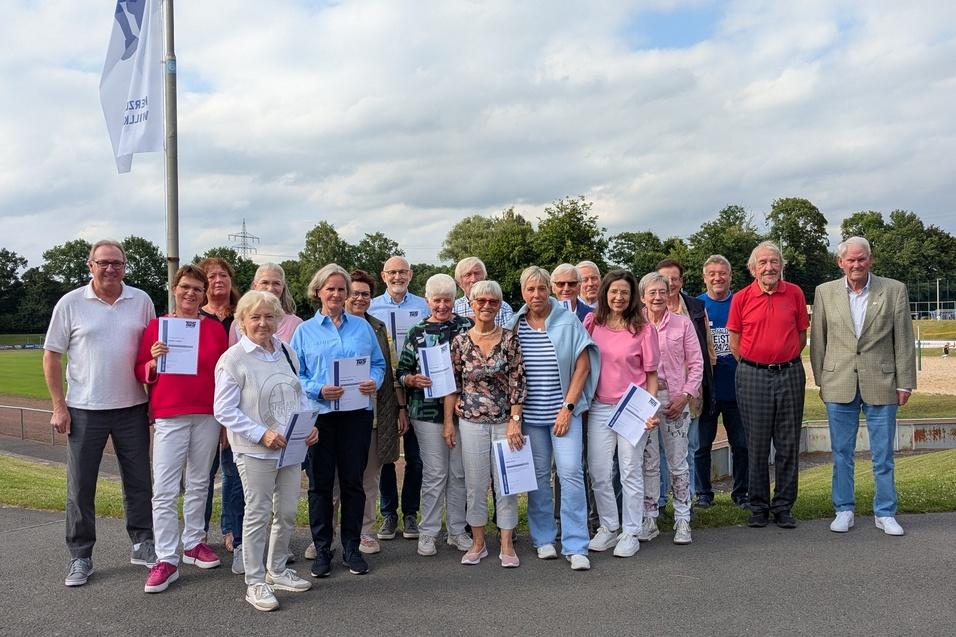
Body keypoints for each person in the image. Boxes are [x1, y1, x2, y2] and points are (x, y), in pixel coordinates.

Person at [44, 239, 157, 587]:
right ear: (90, 265)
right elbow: (52, 355)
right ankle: (80, 556)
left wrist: (154, 400)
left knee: (139, 482)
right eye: (104, 262)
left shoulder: (141, 301)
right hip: (84, 410)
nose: (111, 269)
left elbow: (152, 354)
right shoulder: (71, 303)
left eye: (118, 263)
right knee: (80, 487)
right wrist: (59, 406)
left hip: (132, 407)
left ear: (125, 266)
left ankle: (142, 543)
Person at [214, 290, 317, 611]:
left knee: (286, 511)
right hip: (254, 449)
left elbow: (297, 393)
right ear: (242, 321)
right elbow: (224, 410)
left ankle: (277, 569)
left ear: (278, 319)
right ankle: (255, 581)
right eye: (255, 317)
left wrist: (308, 423)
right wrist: (262, 434)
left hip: (290, 446)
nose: (262, 323)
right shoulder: (233, 359)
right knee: (258, 513)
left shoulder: (286, 350)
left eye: (269, 316)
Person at [810, 237, 916, 536]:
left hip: (882, 381)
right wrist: (822, 380)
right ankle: (844, 509)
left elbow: (904, 340)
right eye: (850, 260)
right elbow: (819, 340)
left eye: (861, 259)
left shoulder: (894, 290)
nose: (856, 265)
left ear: (870, 260)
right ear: (840, 262)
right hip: (838, 381)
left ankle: (885, 512)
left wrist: (905, 383)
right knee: (841, 452)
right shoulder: (824, 292)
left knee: (883, 454)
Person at [136, 265, 229, 593]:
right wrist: (151, 360)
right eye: (185, 287)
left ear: (204, 293)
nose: (191, 293)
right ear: (175, 288)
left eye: (197, 288)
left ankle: (193, 543)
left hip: (206, 414)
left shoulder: (216, 329)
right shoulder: (157, 326)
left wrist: (225, 419)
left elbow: (224, 374)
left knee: (200, 481)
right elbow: (140, 369)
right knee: (164, 487)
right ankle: (165, 557)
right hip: (170, 414)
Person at [291, 264, 386, 577]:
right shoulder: (304, 331)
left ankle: (351, 548)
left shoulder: (362, 328)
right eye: (330, 288)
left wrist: (374, 380)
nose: (336, 294)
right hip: (320, 417)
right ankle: (321, 549)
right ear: (318, 291)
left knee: (353, 483)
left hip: (356, 415)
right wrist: (318, 388)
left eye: (341, 289)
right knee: (319, 485)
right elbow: (295, 375)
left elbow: (378, 364)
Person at [507, 266, 597, 571]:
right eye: (530, 290)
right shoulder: (514, 326)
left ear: (550, 291)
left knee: (571, 473)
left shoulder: (568, 322)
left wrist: (567, 408)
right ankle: (544, 538)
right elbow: (510, 376)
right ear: (522, 293)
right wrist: (515, 418)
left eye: (542, 289)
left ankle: (576, 544)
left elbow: (582, 367)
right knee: (539, 478)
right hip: (531, 417)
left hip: (563, 417)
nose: (536, 295)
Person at [728, 241, 809, 529]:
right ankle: (758, 505)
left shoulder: (795, 294)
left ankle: (784, 506)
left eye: (774, 262)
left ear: (781, 265)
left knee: (788, 444)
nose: (769, 267)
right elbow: (734, 342)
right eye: (762, 263)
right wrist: (758, 362)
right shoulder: (741, 298)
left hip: (789, 373)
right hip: (753, 375)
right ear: (753, 269)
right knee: (757, 445)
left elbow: (801, 336)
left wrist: (781, 357)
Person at [445, 280, 526, 567]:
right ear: (472, 304)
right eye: (482, 301)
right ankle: (478, 543)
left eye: (493, 302)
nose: (487, 306)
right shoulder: (460, 342)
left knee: (507, 484)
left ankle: (506, 543)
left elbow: (518, 381)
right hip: (470, 422)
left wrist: (516, 420)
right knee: (475, 485)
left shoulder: (509, 339)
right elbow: (453, 384)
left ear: (499, 305)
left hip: (505, 422)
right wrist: (448, 423)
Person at [396, 273, 473, 557]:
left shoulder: (467, 326)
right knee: (435, 473)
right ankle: (428, 532)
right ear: (428, 300)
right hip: (426, 412)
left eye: (447, 300)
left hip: (463, 411)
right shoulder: (417, 332)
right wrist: (412, 380)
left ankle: (456, 530)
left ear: (455, 301)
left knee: (458, 473)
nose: (442, 306)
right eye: (437, 300)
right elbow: (400, 372)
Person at [584, 271, 660, 558]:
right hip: (600, 406)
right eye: (614, 292)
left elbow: (651, 375)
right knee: (600, 471)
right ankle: (609, 526)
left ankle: (631, 530)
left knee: (630, 470)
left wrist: (650, 410)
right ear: (605, 293)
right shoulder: (593, 323)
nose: (618, 297)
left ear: (632, 297)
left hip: (632, 407)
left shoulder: (643, 329)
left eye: (624, 293)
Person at [339, 269, 406, 554]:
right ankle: (328, 535)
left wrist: (401, 408)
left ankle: (365, 531)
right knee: (333, 482)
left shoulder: (378, 328)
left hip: (373, 414)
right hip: (336, 415)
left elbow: (389, 371)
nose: (359, 298)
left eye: (365, 294)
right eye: (354, 293)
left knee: (368, 479)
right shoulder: (326, 327)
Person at [638, 273, 703, 545]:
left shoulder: (683, 324)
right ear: (642, 296)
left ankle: (682, 519)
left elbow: (697, 363)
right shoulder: (636, 324)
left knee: (678, 463)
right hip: (645, 401)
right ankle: (650, 517)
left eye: (662, 292)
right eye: (651, 293)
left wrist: (686, 396)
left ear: (669, 294)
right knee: (649, 462)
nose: (657, 297)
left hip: (676, 401)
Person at [368, 255, 427, 542]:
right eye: (392, 272)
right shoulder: (372, 306)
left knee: (416, 458)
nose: (397, 277)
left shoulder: (423, 305)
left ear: (410, 274)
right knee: (387, 455)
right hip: (384, 385)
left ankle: (411, 514)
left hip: (417, 384)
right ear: (383, 276)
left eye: (402, 272)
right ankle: (389, 513)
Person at [196, 257, 246, 574]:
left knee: (233, 474)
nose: (218, 280)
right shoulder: (193, 317)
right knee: (201, 474)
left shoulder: (242, 315)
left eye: (223, 275)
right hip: (201, 406)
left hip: (237, 406)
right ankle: (197, 534)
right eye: (211, 276)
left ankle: (231, 530)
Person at [654, 259, 713, 509]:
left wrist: (692, 389)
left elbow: (706, 349)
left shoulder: (694, 309)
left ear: (681, 281)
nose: (669, 284)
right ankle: (659, 500)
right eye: (664, 279)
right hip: (653, 393)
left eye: (674, 278)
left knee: (686, 446)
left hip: (687, 390)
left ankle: (685, 500)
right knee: (655, 452)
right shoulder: (642, 314)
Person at [696, 255, 750, 509]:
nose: (717, 278)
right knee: (701, 445)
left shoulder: (741, 302)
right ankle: (704, 494)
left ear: (730, 276)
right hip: (707, 389)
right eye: (712, 274)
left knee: (741, 444)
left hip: (736, 387)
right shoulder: (696, 306)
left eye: (722, 273)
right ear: (704, 277)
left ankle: (741, 493)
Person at [230, 263, 303, 344]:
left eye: (276, 283)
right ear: (255, 285)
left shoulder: (296, 324)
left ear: (283, 287)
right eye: (265, 282)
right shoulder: (239, 323)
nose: (270, 288)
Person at [452, 257, 515, 326]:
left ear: (484, 277)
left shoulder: (503, 308)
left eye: (477, 273)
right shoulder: (453, 308)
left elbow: (507, 335)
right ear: (459, 283)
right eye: (468, 275)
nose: (473, 279)